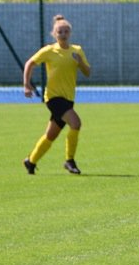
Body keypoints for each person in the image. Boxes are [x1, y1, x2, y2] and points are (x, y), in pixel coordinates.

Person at [22, 14, 91, 175]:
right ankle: (69, 161)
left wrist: (80, 62)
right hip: (53, 98)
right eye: (60, 32)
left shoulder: (77, 51)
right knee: (76, 123)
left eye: (66, 31)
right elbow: (30, 63)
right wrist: (26, 84)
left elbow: (88, 72)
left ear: (70, 33)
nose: (63, 34)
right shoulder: (49, 50)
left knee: (51, 135)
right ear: (54, 34)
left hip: (68, 99)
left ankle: (31, 161)